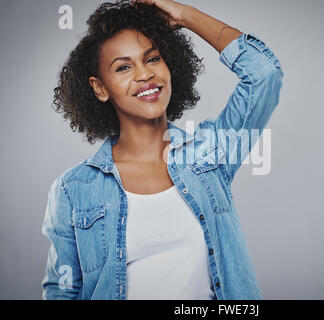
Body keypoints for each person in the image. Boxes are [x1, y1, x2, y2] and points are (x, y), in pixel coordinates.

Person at [42, 0, 283, 300]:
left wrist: (185, 16)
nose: (144, 74)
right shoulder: (72, 190)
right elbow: (62, 292)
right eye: (124, 67)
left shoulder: (210, 153)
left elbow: (264, 74)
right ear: (100, 88)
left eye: (153, 59)